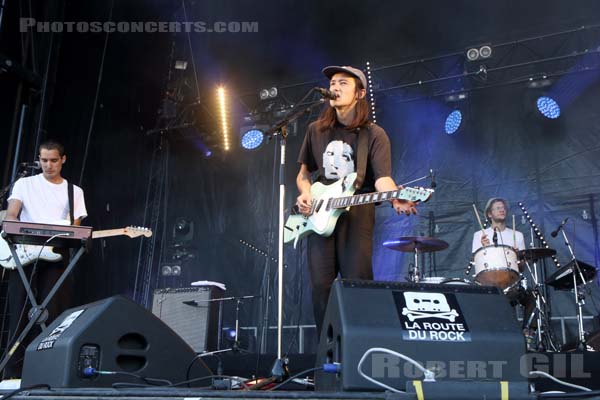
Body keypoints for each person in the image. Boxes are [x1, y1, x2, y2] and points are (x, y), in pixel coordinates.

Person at [296, 65, 416, 336]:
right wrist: (305, 192)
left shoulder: (374, 134)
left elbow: (382, 178)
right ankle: (325, 355)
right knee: (320, 289)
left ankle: (360, 347)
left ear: (360, 93)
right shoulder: (316, 129)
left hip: (357, 215)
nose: (335, 88)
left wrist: (396, 197)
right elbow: (304, 174)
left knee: (357, 285)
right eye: (333, 83)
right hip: (319, 217)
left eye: (342, 83)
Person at [2, 139, 87, 378]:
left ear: (63, 160)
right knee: (19, 314)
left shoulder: (74, 191)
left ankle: (48, 372)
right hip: (25, 256)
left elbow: (74, 228)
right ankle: (12, 375)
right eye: (43, 160)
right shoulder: (24, 184)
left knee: (54, 316)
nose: (48, 165)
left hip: (56, 257)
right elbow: (11, 214)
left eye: (53, 161)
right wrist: (19, 231)